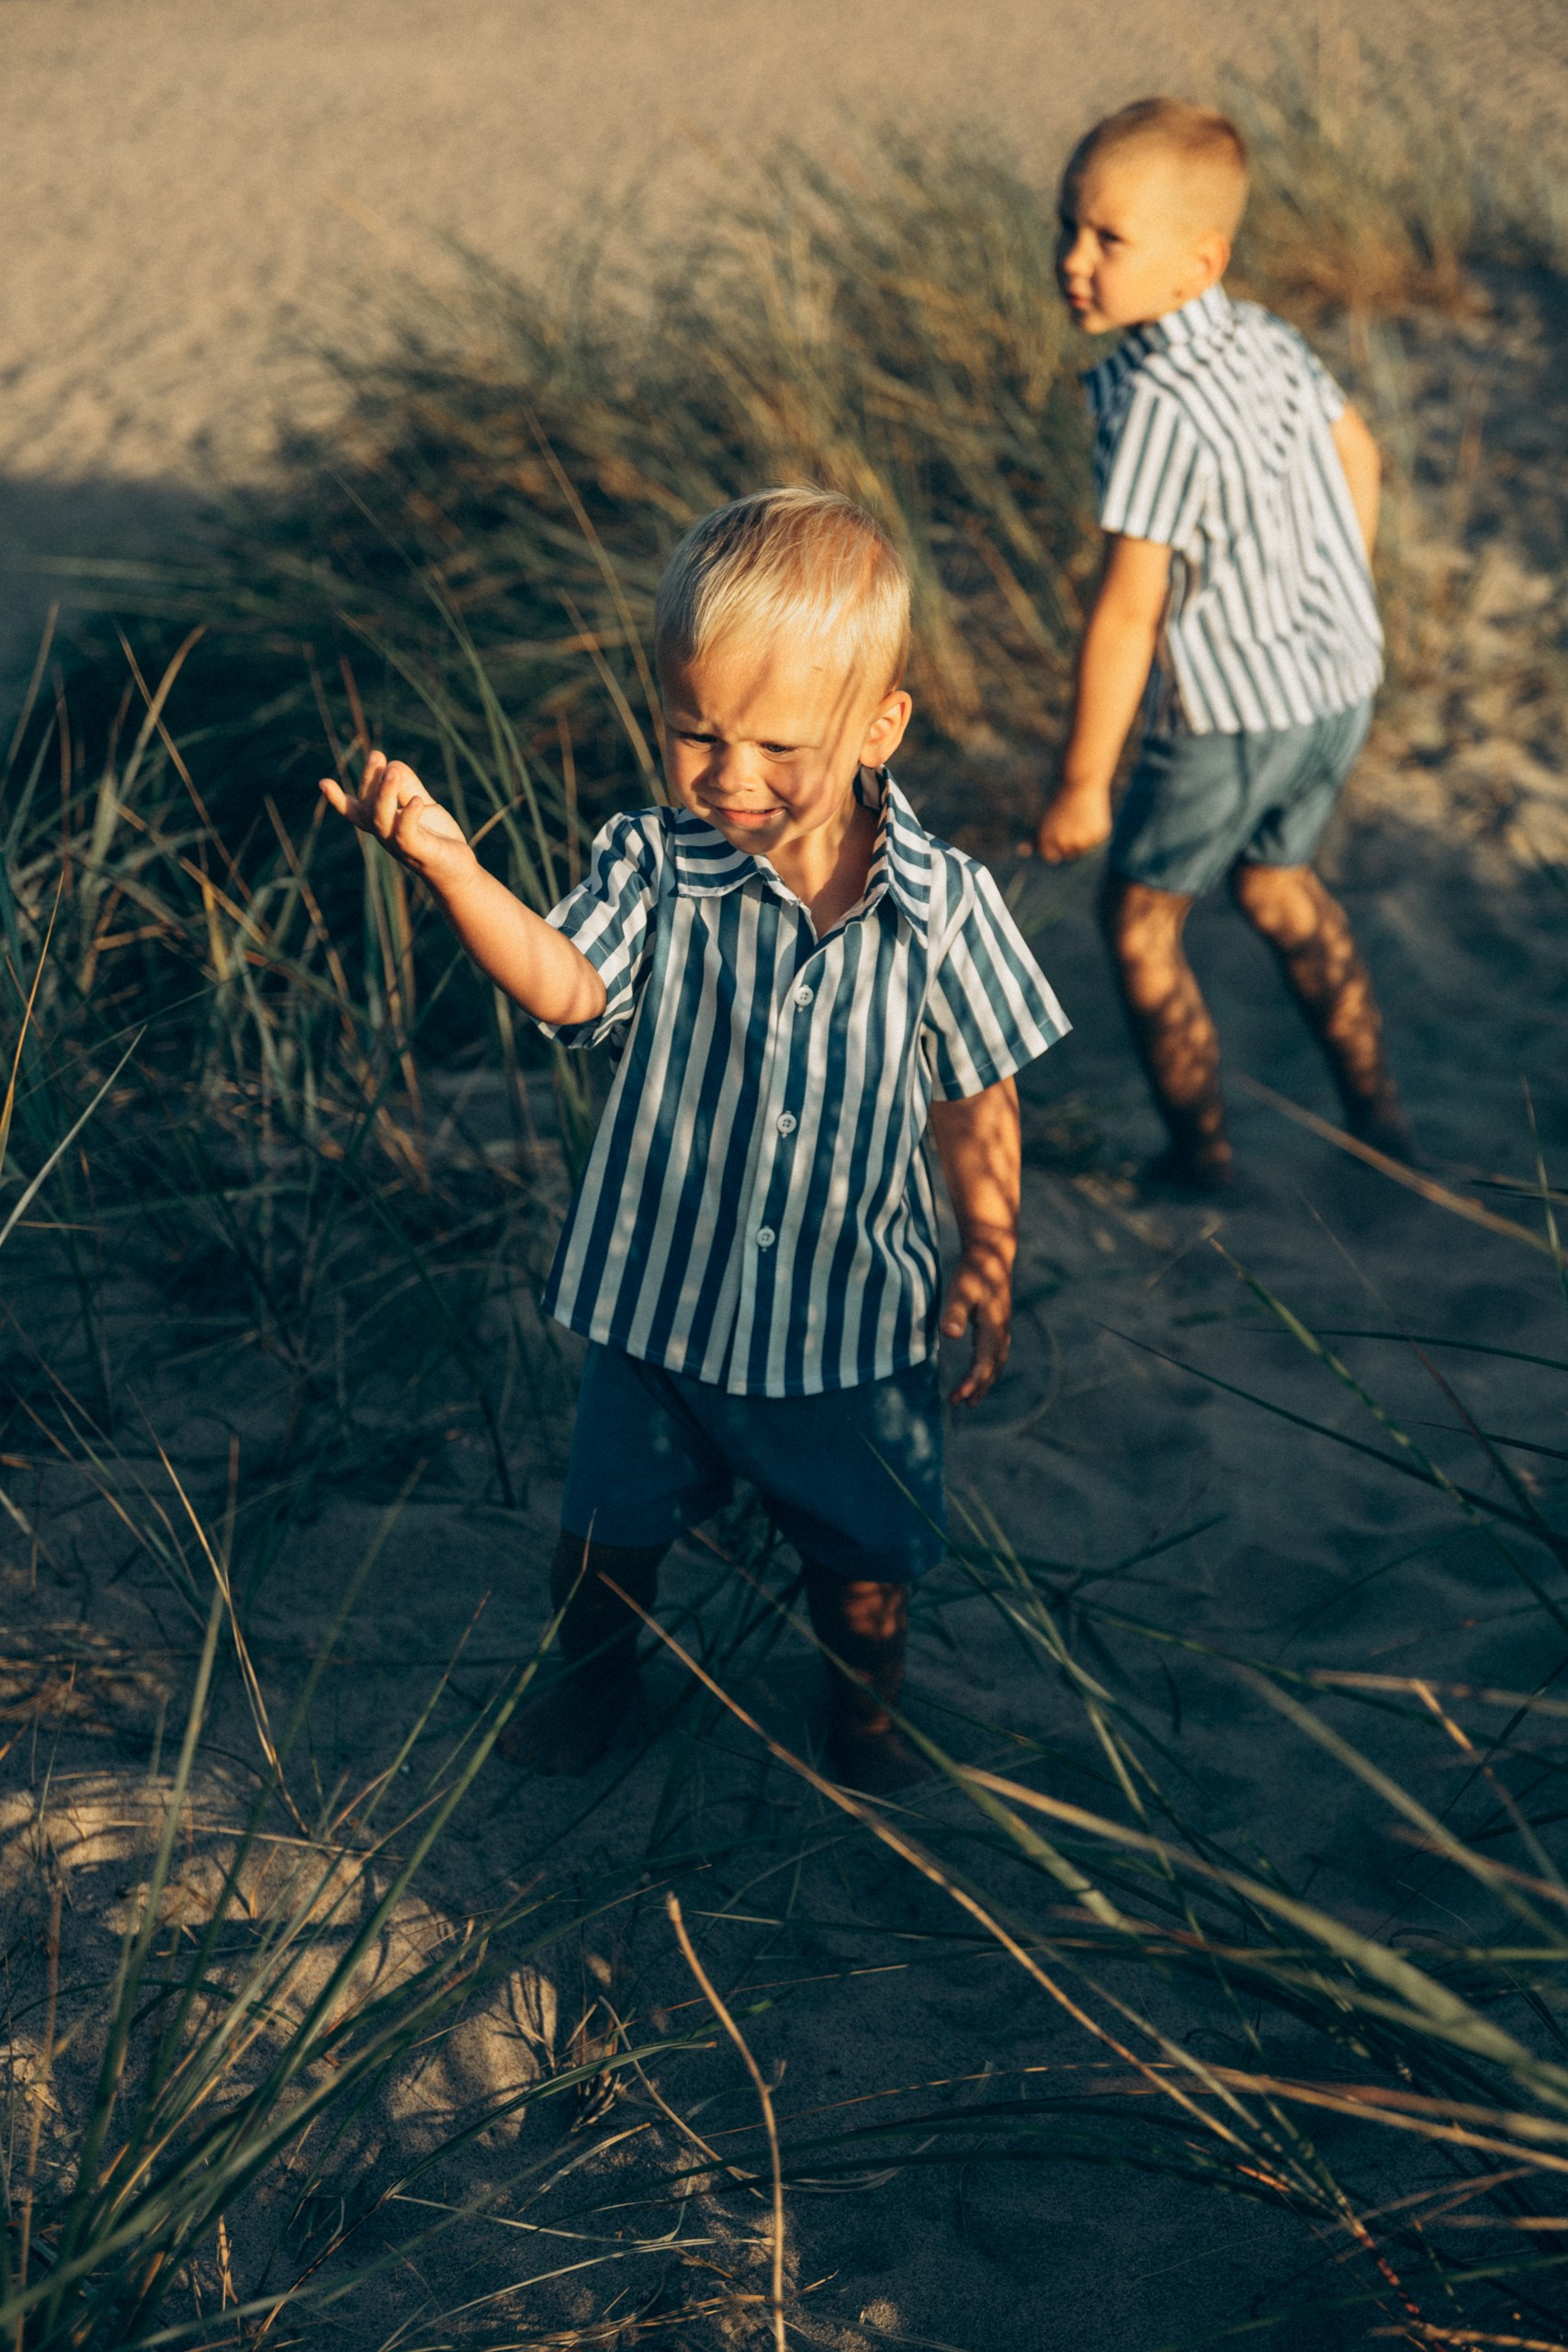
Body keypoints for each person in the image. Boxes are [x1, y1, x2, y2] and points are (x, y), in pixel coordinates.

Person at [321, 488, 1067, 1792]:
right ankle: (595, 1682)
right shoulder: (654, 866)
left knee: (864, 1560)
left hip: (848, 1328)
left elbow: (974, 1094)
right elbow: (564, 986)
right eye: (691, 732)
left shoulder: (943, 907)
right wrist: (454, 869)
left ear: (877, 725)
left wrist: (988, 1244)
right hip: (660, 1312)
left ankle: (864, 1725)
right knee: (605, 1537)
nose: (727, 777)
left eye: (777, 746)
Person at [1027, 96, 1415, 1192]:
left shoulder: (1155, 402)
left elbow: (1128, 611)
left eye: (1108, 239)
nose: (1073, 260)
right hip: (1337, 681)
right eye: (1068, 226)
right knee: (1282, 888)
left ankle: (1201, 1157)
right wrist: (1336, 597)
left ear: (1199, 261)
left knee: (1140, 921)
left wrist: (1081, 783)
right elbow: (1363, 460)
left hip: (1230, 715)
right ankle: (1383, 1127)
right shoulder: (1268, 338)